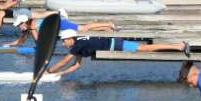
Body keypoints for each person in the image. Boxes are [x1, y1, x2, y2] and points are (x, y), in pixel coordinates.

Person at [46, 32, 184, 76]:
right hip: (114, 42)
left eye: (64, 41)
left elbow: (65, 61)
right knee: (146, 48)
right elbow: (77, 65)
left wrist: (50, 71)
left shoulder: (77, 45)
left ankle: (178, 46)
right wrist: (60, 75)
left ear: (70, 38)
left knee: (147, 48)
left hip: (116, 44)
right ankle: (177, 46)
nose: (63, 44)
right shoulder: (78, 42)